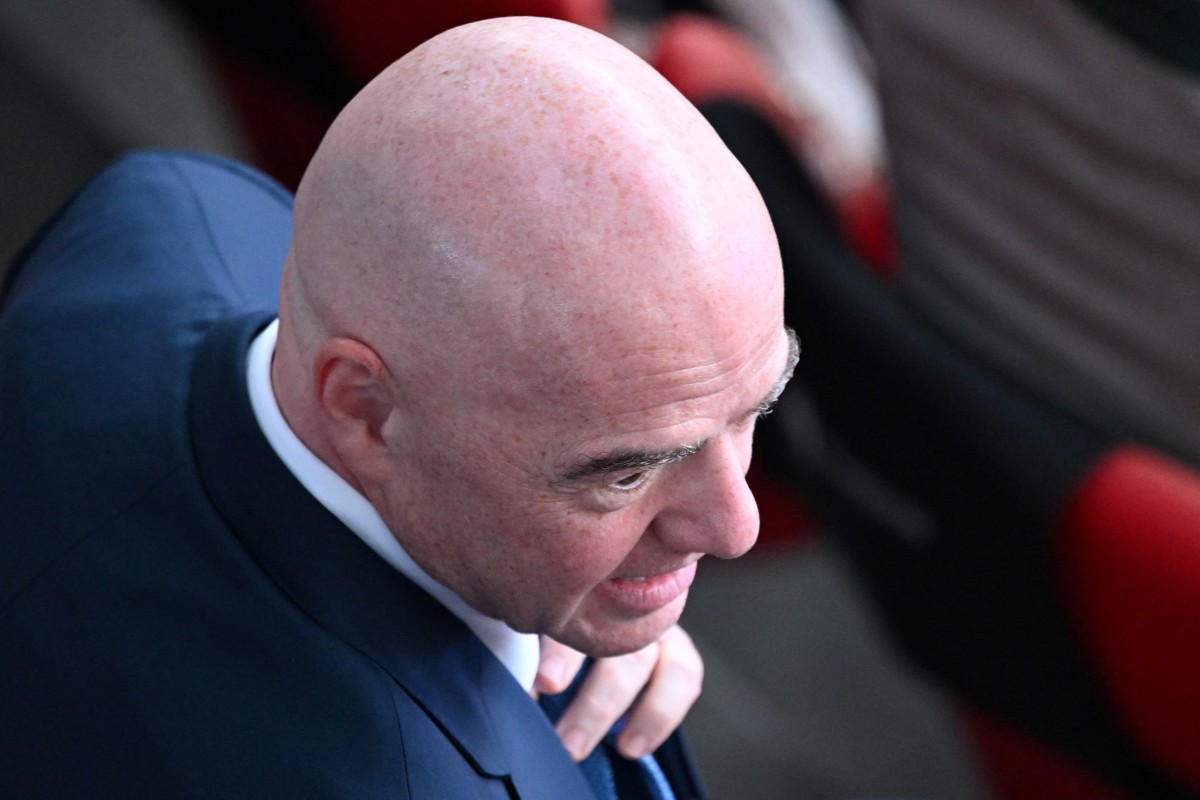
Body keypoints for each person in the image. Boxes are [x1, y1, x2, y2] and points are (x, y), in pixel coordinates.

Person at [0, 15, 796, 799]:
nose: (736, 527)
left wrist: (608, 584)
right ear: (364, 409)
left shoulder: (166, 212)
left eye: (752, 412)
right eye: (626, 475)